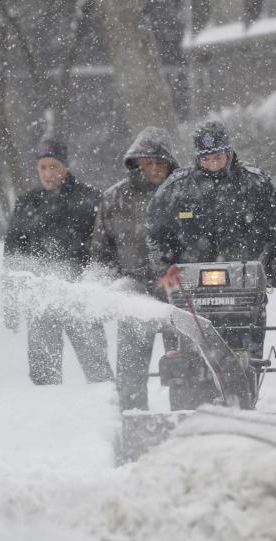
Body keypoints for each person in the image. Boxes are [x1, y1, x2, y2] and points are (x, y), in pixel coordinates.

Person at [146, 120, 276, 357]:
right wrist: (165, 272)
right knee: (186, 367)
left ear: (228, 151)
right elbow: (155, 235)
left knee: (245, 362)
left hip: (244, 293)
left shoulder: (257, 184)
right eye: (206, 159)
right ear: (197, 157)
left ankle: (242, 387)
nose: (213, 165)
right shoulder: (176, 189)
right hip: (191, 295)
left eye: (218, 157)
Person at [2, 137, 113, 385]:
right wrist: (10, 304)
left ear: (65, 166)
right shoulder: (27, 203)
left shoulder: (90, 200)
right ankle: (47, 416)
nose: (48, 173)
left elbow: (104, 250)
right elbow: (13, 256)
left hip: (80, 296)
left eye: (54, 166)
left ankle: (104, 415)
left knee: (98, 371)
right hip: (41, 299)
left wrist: (99, 289)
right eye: (43, 167)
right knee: (43, 375)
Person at [90, 127, 180, 411]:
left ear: (169, 163)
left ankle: (186, 419)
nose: (154, 168)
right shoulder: (114, 199)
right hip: (133, 292)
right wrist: (113, 287)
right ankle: (132, 422)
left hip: (177, 292)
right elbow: (101, 250)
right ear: (137, 163)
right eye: (147, 162)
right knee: (130, 375)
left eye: (159, 162)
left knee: (183, 370)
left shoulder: (182, 194)